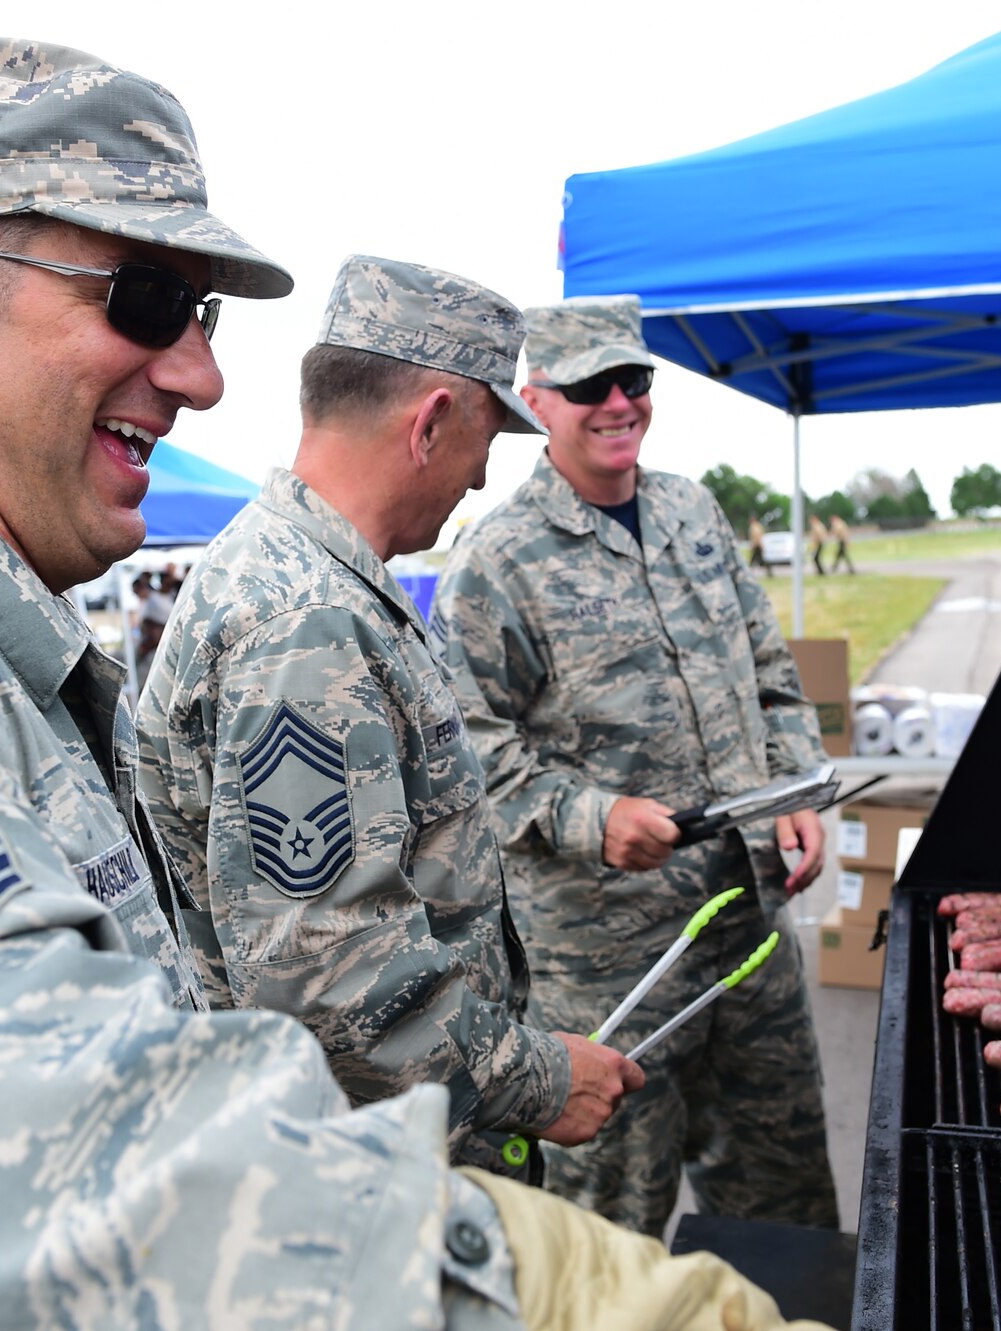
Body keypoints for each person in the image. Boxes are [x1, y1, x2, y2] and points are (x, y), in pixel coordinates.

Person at [0, 39, 829, 1331]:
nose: (203, 373)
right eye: (148, 299)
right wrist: (579, 1289)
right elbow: (38, 1225)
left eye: (203, 319)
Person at [136, 256, 641, 1179]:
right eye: (487, 437)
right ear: (434, 422)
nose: (482, 480)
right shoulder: (305, 623)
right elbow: (331, 984)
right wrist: (538, 1077)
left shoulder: (317, 587)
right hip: (363, 1170)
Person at [431, 295, 841, 1237]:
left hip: (748, 927)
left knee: (787, 1204)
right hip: (611, 963)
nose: (619, 403)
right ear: (537, 401)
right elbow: (467, 755)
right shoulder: (498, 562)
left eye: (635, 380)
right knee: (614, 1223)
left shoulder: (692, 511)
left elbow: (770, 673)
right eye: (590, 387)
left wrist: (801, 788)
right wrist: (589, 816)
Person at [133, 589, 172, 689]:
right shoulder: (143, 649)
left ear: (164, 629)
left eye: (151, 627)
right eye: (145, 627)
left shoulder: (167, 656)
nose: (146, 632)